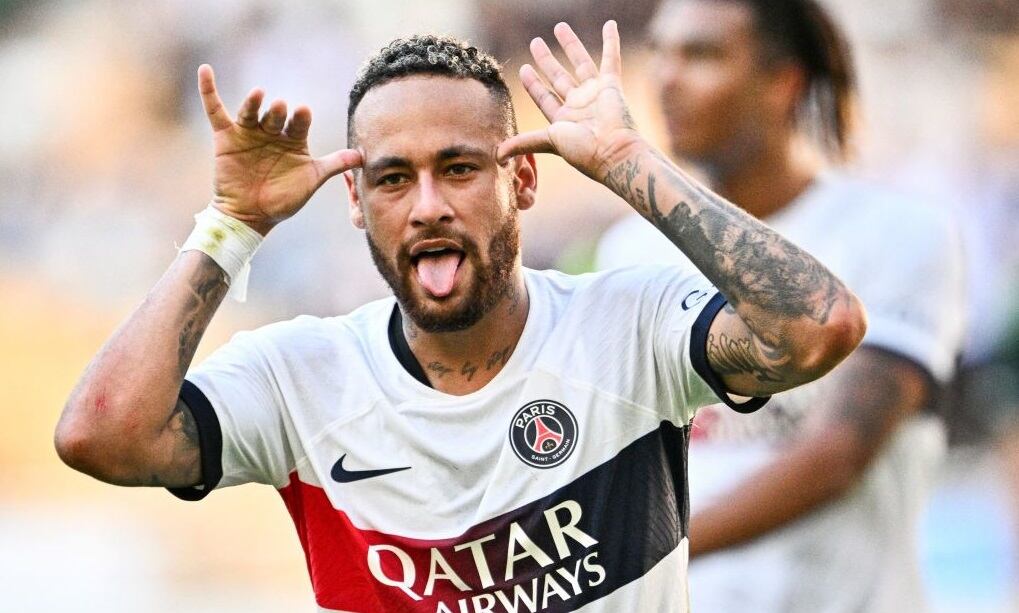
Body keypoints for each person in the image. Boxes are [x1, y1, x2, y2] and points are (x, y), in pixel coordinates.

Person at [54, 21, 866, 612]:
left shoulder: (627, 323)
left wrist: (627, 160)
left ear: (522, 182)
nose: (427, 207)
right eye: (392, 179)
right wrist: (231, 227)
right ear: (356, 202)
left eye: (459, 168)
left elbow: (817, 326)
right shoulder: (301, 376)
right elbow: (101, 435)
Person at [594, 1, 966, 611]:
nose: (666, 77)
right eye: (660, 52)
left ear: (783, 82)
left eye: (701, 54)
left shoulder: (898, 233)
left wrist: (640, 554)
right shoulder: (627, 252)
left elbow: (836, 455)